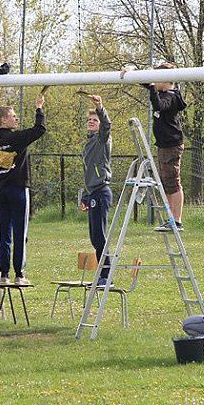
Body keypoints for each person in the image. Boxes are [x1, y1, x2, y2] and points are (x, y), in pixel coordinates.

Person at [0, 94, 46, 285]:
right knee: (20, 232)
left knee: (4, 234)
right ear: (3, 120)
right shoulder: (17, 138)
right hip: (18, 190)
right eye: (13, 116)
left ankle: (4, 275)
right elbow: (39, 129)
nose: (16, 119)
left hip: (1, 192)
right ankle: (19, 275)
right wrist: (39, 108)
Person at [143, 62, 187, 232]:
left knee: (173, 182)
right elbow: (144, 82)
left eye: (157, 78)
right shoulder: (162, 92)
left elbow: (159, 106)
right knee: (166, 182)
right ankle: (170, 218)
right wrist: (131, 72)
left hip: (171, 145)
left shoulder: (171, 96)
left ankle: (176, 220)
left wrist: (151, 86)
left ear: (167, 80)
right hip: (163, 145)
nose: (154, 82)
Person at [80, 95, 113, 286]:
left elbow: (107, 125)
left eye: (95, 120)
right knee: (94, 238)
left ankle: (106, 275)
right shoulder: (89, 142)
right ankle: (102, 273)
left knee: (100, 236)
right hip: (92, 193)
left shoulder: (102, 139)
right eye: (89, 120)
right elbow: (87, 172)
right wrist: (85, 196)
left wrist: (100, 107)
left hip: (102, 192)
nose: (91, 122)